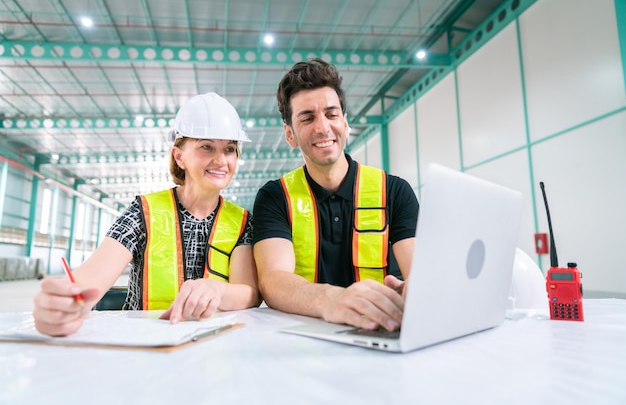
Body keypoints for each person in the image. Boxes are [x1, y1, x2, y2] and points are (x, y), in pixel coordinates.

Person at [33, 92, 261, 336]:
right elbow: (92, 278)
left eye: (230, 149)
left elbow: (249, 292)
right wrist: (64, 303)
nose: (221, 160)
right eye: (206, 146)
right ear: (179, 156)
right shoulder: (143, 213)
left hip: (212, 344)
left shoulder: (242, 222)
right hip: (144, 342)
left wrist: (217, 290)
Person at [253, 58, 419, 332]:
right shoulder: (275, 197)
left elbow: (419, 271)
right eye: (307, 118)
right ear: (290, 135)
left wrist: (415, 291)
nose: (322, 127)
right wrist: (333, 300)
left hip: (384, 330)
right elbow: (273, 280)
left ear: (345, 122)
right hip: (307, 341)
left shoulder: (395, 191)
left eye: (331, 114)